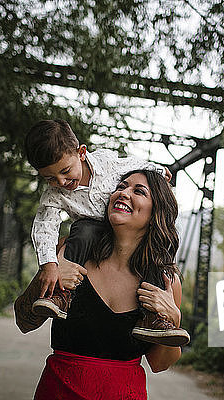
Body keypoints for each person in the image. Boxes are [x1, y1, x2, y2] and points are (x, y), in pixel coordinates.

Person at [14, 170, 186, 399]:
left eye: (138, 191)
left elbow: (159, 364)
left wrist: (174, 319)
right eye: (121, 187)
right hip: (59, 392)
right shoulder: (70, 252)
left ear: (157, 211)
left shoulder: (166, 281)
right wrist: (47, 278)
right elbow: (24, 321)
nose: (123, 193)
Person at [24, 119, 189, 346]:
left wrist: (158, 170)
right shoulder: (63, 242)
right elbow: (44, 226)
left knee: (154, 267)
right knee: (82, 228)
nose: (61, 182)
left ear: (82, 153)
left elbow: (132, 163)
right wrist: (50, 265)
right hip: (89, 236)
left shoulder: (106, 162)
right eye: (50, 178)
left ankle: (154, 319)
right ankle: (61, 296)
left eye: (65, 171)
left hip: (126, 376)